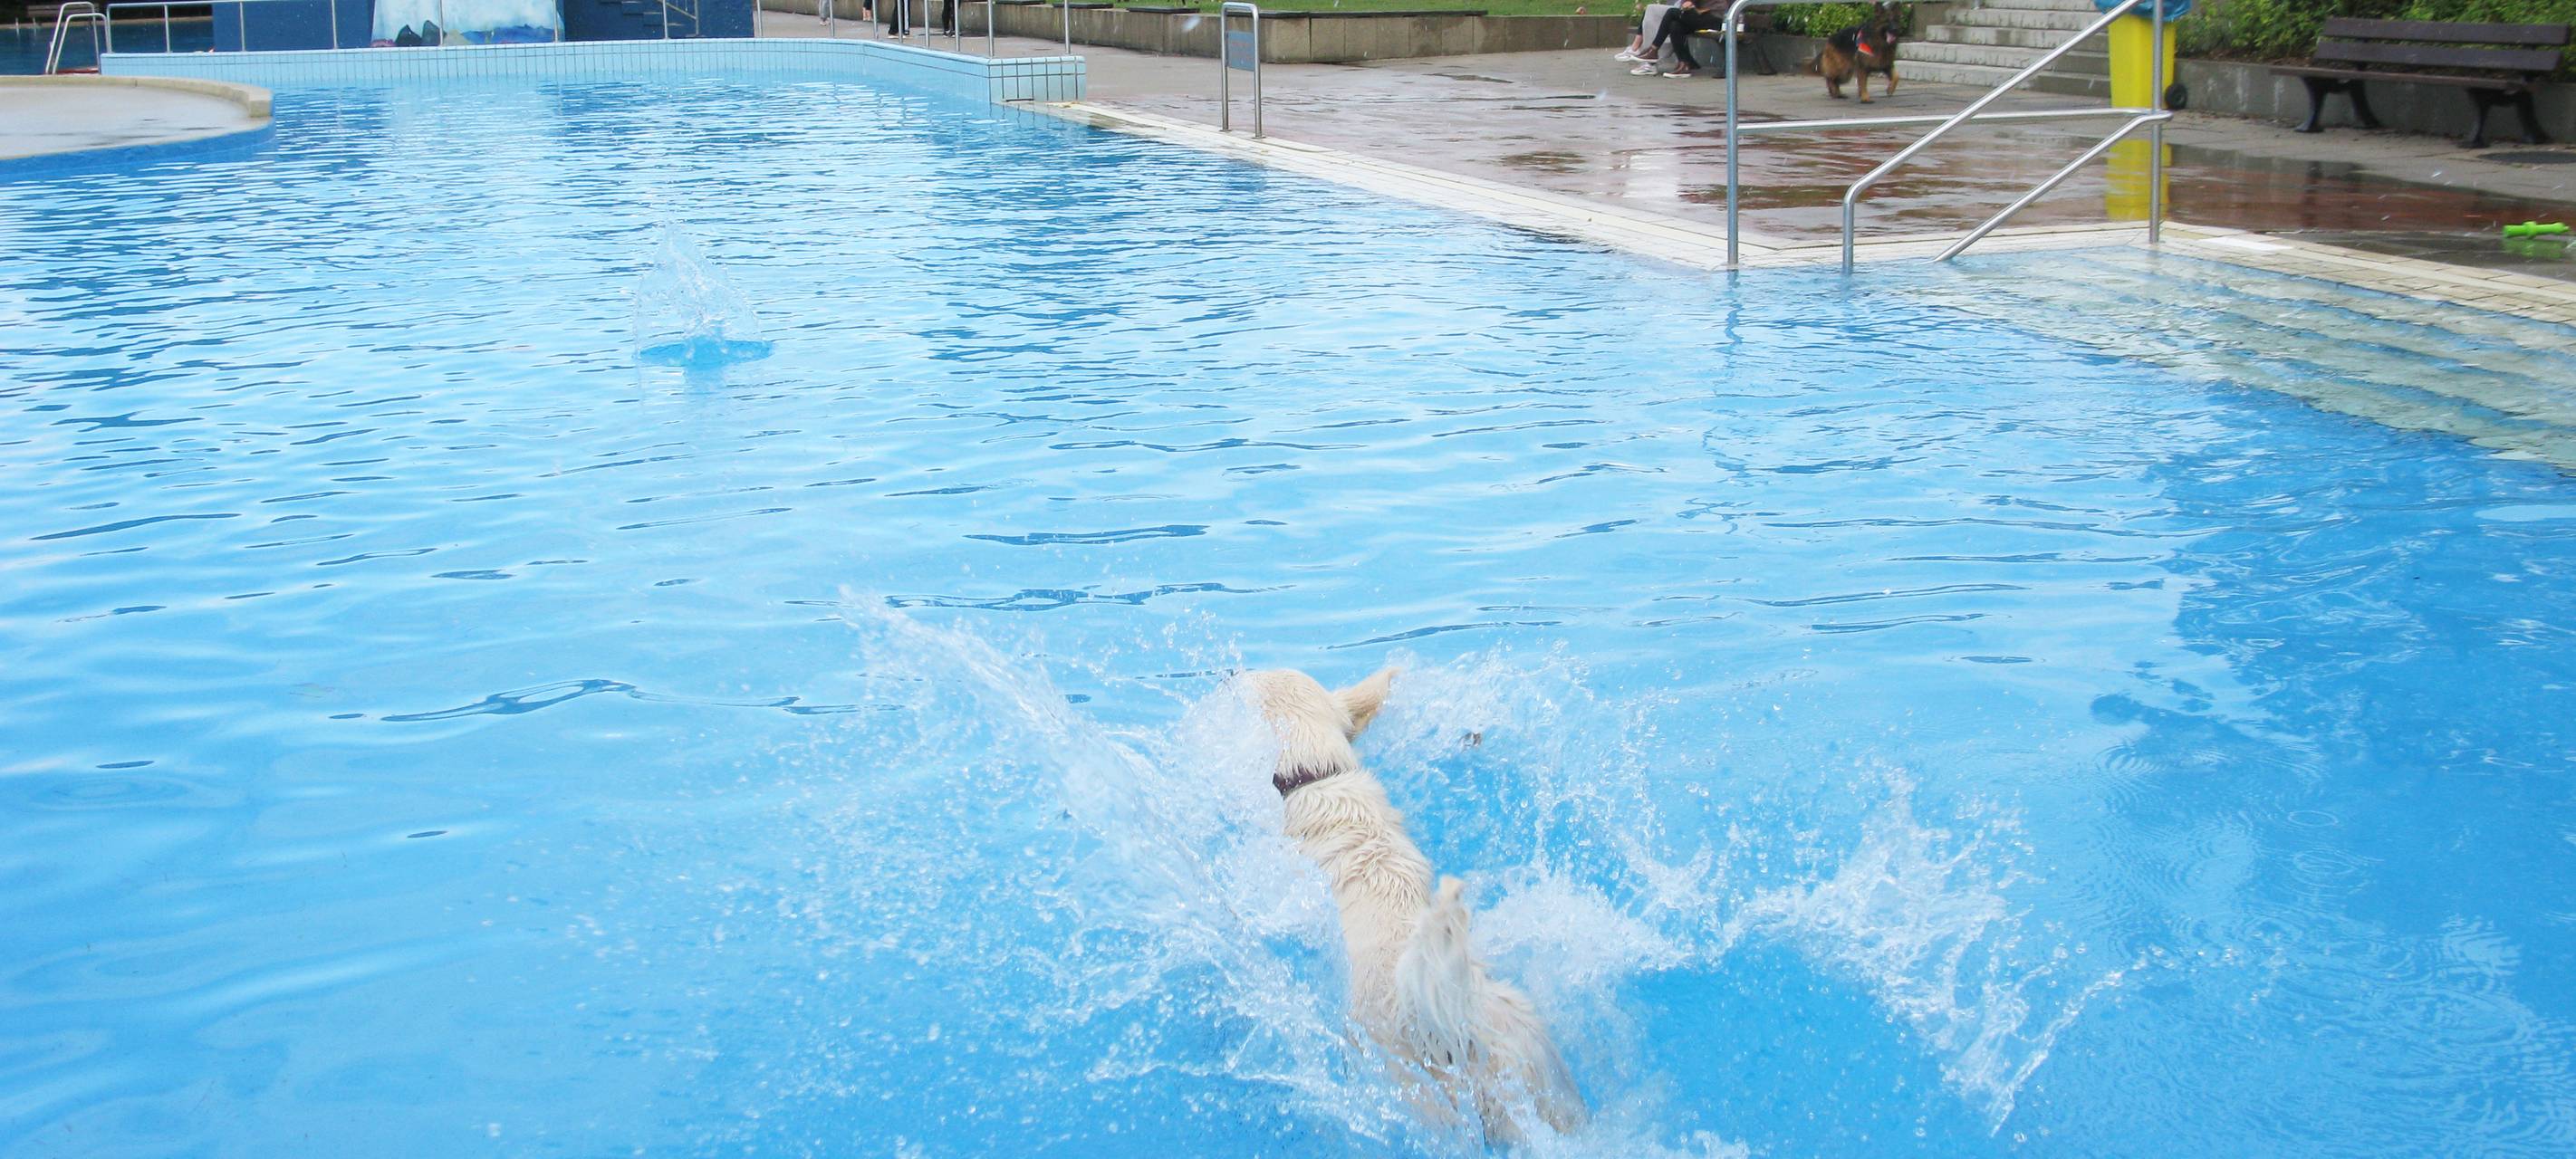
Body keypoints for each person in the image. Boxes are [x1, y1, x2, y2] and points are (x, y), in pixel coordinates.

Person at [1641, 0, 1727, 78]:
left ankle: (1654, 49)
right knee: (1675, 25)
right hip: (1702, 13)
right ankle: (1684, 64)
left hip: (1715, 16)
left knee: (1671, 13)